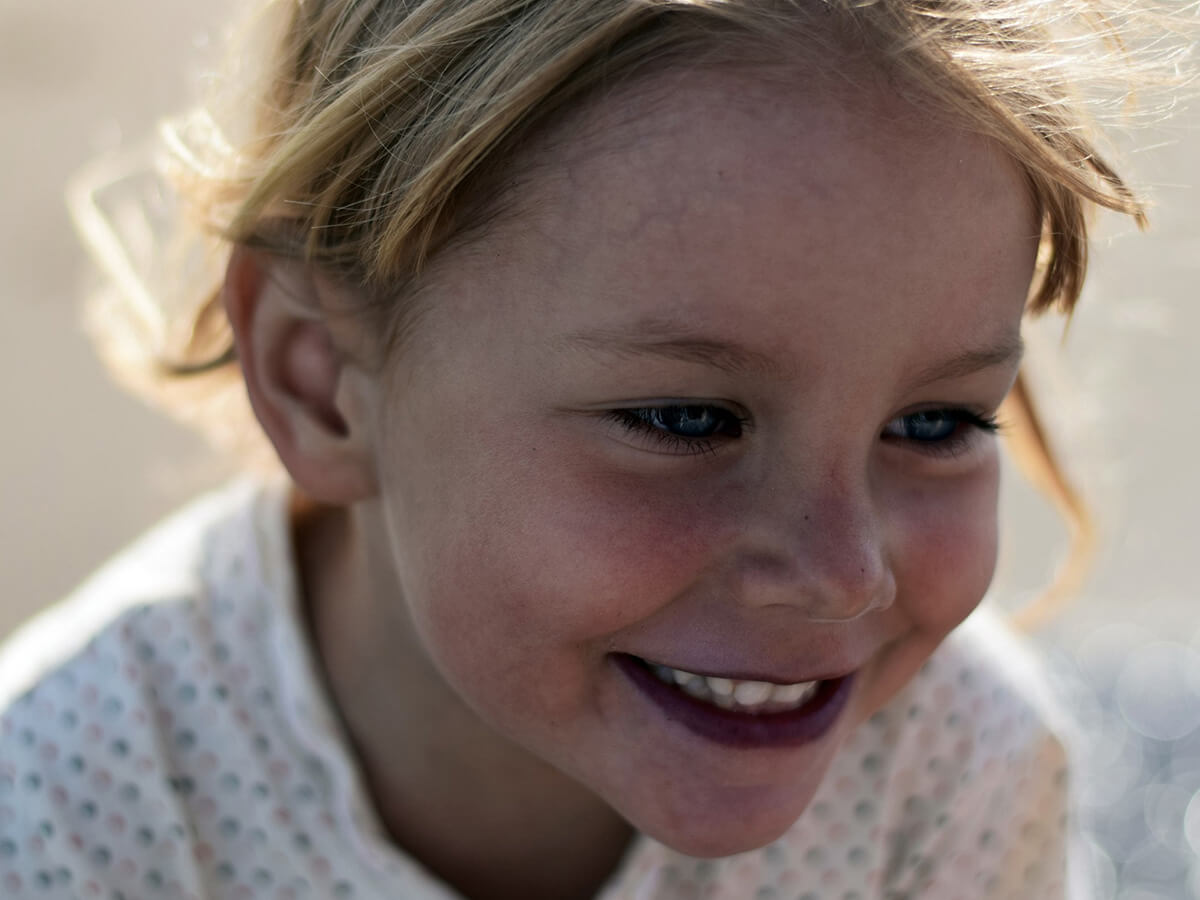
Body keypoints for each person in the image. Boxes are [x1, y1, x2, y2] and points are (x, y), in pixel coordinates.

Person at [0, 1, 1183, 897]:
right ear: (322, 383)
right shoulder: (71, 802)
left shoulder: (956, 777)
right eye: (686, 421)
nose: (842, 574)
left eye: (934, 425)